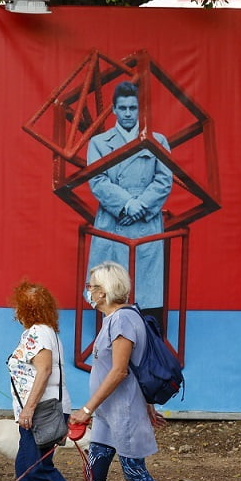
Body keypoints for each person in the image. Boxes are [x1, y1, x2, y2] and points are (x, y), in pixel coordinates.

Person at [57, 261, 204, 481]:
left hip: (121, 414)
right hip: (110, 416)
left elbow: (120, 371)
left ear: (105, 291)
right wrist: (147, 406)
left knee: (135, 474)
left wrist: (86, 409)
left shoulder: (122, 321)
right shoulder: (117, 319)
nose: (88, 292)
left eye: (92, 286)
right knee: (95, 473)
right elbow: (135, 369)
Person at [87, 81, 173, 325]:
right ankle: (109, 345)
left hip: (145, 224)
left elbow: (164, 180)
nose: (127, 113)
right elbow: (98, 181)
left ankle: (146, 347)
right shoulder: (99, 143)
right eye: (122, 108)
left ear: (140, 110)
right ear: (113, 109)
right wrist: (126, 205)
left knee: (146, 290)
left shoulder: (158, 141)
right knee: (109, 287)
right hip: (112, 221)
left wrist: (139, 208)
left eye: (132, 108)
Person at [6, 281, 87, 481]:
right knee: (27, 465)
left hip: (40, 411)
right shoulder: (45, 332)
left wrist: (29, 409)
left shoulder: (38, 333)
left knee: (33, 467)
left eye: (18, 306)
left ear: (26, 309)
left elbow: (44, 371)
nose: (15, 311)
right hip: (41, 410)